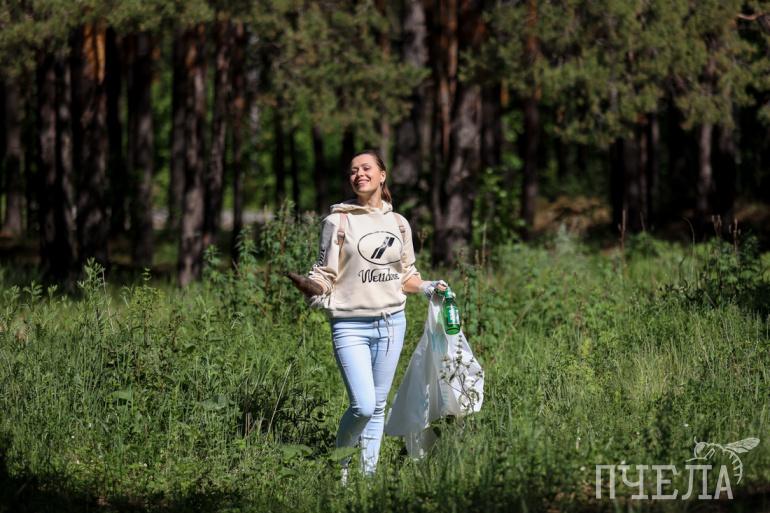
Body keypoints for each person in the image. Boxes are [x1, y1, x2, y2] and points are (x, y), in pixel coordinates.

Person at [305, 149, 447, 480]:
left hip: (392, 323)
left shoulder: (398, 223)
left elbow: (406, 276)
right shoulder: (338, 221)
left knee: (379, 406)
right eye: (353, 170)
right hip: (349, 325)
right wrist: (313, 288)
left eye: (366, 168)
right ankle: (340, 470)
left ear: (382, 175)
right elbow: (324, 273)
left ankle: (367, 480)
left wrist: (428, 287)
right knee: (364, 405)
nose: (359, 174)